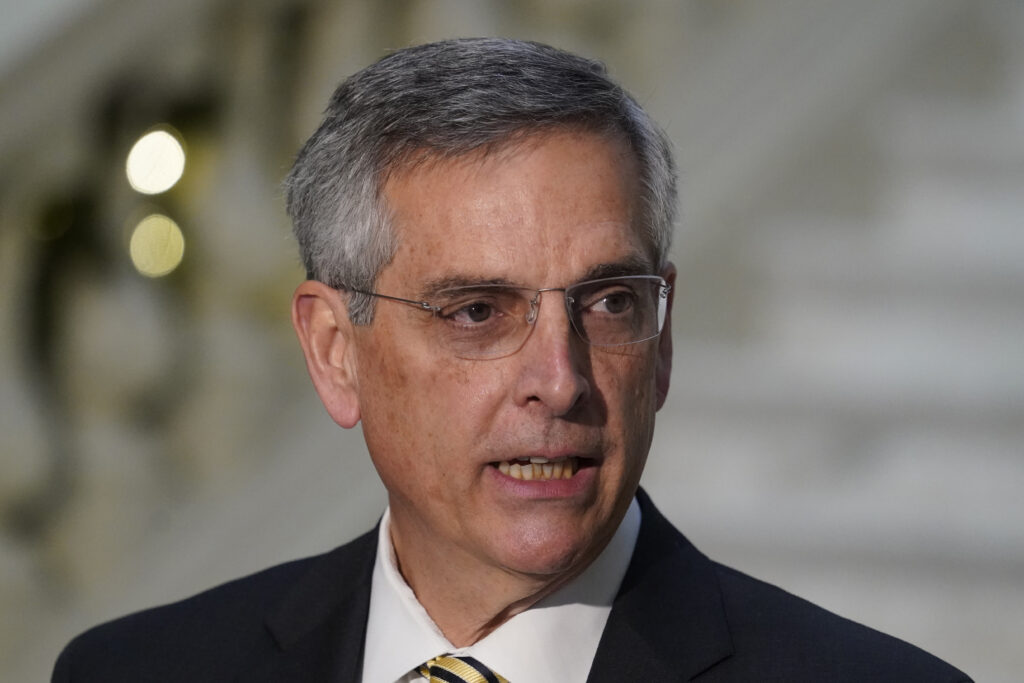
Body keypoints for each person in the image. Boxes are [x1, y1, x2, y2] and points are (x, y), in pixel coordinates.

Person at [53, 38, 970, 683]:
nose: (561, 378)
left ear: (663, 343)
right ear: (336, 353)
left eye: (611, 303)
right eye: (478, 312)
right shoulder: (137, 670)